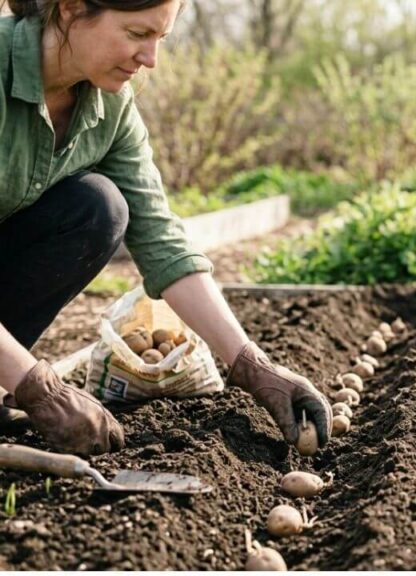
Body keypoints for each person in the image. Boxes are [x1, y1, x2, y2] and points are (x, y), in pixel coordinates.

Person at [0, 0, 332, 457]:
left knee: (96, 208)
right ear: (72, 7)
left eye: (160, 39)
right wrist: (37, 386)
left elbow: (162, 241)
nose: (151, 59)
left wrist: (252, 365)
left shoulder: (109, 107)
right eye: (137, 34)